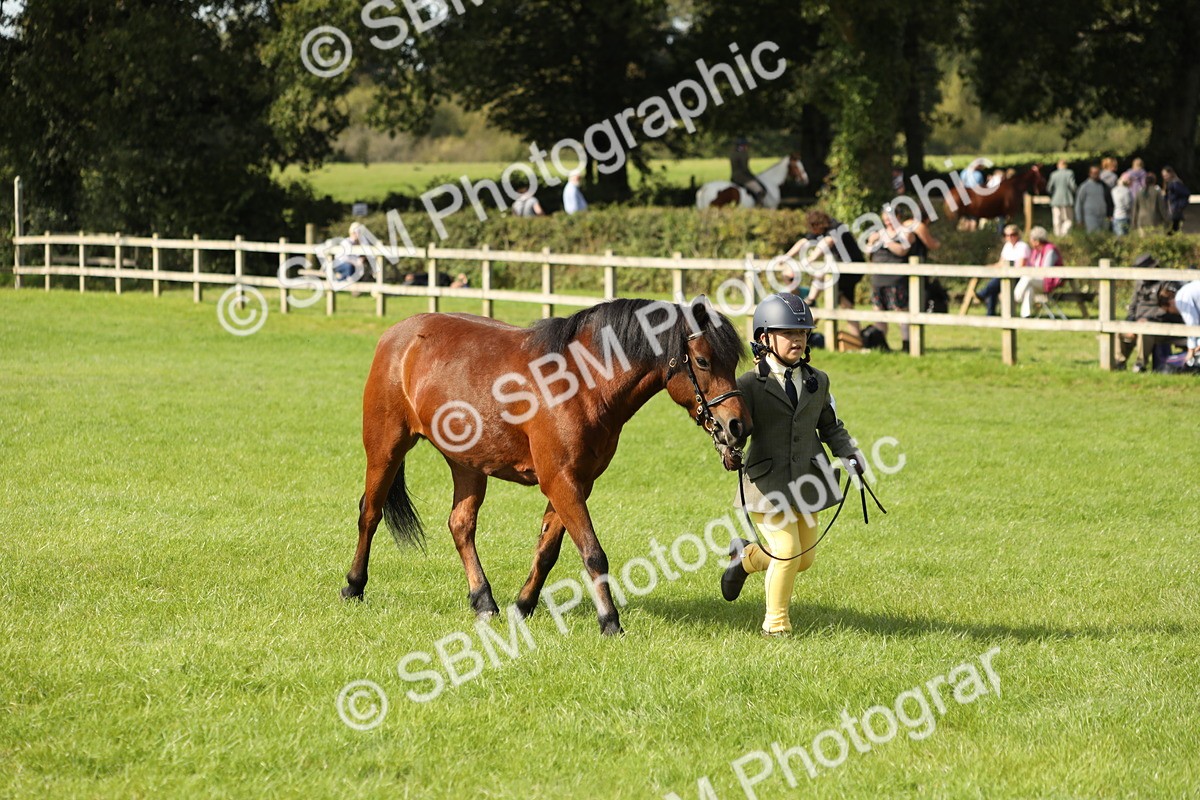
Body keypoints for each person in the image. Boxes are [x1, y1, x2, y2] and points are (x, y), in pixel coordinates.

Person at [720, 293, 863, 636]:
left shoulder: (819, 380)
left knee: (804, 559)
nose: (798, 339)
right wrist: (730, 449)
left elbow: (830, 426)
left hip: (808, 481)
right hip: (767, 484)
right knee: (786, 552)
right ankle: (776, 625)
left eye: (802, 333)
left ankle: (747, 559)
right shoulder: (748, 385)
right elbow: (730, 427)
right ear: (764, 339)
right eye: (788, 333)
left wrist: (849, 453)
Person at [781, 211, 864, 344]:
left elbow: (828, 241)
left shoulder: (835, 228)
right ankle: (857, 342)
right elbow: (804, 241)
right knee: (846, 305)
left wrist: (810, 259)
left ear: (819, 224)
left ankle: (810, 301)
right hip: (840, 271)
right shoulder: (820, 230)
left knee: (822, 275)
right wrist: (786, 256)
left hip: (851, 270)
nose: (813, 232)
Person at [1116, 254, 1182, 372]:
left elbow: (1168, 307)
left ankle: (1140, 364)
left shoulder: (1166, 282)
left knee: (1144, 330)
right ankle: (1119, 363)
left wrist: (1149, 320)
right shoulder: (1140, 284)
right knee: (1119, 331)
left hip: (1158, 323)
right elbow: (1132, 306)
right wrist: (1131, 323)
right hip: (1138, 322)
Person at [864, 206, 917, 349]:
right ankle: (881, 344)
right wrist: (871, 242)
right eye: (886, 218)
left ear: (899, 217)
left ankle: (907, 344)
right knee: (878, 312)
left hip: (896, 280)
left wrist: (886, 241)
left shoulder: (905, 233)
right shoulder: (878, 233)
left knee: (901, 311)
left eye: (891, 217)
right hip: (878, 279)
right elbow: (868, 254)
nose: (888, 221)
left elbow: (902, 250)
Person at [976, 224, 1030, 316]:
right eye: (1007, 235)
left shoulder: (1023, 246)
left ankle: (983, 294)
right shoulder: (1007, 246)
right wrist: (987, 267)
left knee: (996, 282)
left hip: (1019, 277)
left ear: (1018, 235)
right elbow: (1001, 263)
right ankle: (990, 313)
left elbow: (1021, 266)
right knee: (995, 286)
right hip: (1006, 274)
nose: (1010, 237)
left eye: (1013, 234)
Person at [1013, 226, 1063, 318]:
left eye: (1031, 239)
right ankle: (1025, 316)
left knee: (1027, 278)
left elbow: (1045, 270)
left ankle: (1015, 298)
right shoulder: (1036, 251)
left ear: (1036, 240)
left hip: (1048, 282)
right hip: (1038, 281)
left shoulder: (1050, 250)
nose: (1030, 241)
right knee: (1029, 289)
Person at [1156, 281, 1200, 366]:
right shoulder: (1185, 292)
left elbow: (1192, 326)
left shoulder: (1181, 300)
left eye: (1168, 311)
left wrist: (1191, 351)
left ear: (1170, 303)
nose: (1172, 313)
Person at [1074, 165, 1113, 233]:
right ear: (1089, 173)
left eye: (1097, 173)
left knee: (1103, 237)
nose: (1095, 175)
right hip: (1090, 217)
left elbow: (1109, 201)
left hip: (1103, 217)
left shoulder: (1104, 186)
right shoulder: (1084, 187)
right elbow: (1079, 203)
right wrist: (1079, 219)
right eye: (1093, 173)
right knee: (1094, 234)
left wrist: (1110, 214)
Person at [730, 137, 765, 205]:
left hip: (734, 177)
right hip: (743, 178)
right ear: (742, 146)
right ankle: (758, 205)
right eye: (746, 145)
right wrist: (752, 176)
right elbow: (745, 169)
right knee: (760, 190)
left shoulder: (733, 154)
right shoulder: (743, 154)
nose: (747, 147)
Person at [1046, 160, 1077, 237]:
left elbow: (1049, 188)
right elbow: (1072, 186)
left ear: (1058, 166)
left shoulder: (1053, 174)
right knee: (1068, 219)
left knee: (1056, 219)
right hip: (1067, 199)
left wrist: (1053, 194)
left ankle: (1057, 235)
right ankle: (1064, 234)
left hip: (1055, 200)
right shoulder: (1069, 173)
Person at [1162, 167, 1189, 234]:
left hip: (1175, 211)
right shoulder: (1169, 184)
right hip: (1170, 210)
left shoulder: (1175, 184)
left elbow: (1185, 194)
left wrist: (1179, 207)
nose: (1164, 177)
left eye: (1166, 175)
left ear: (1170, 174)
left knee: (1172, 231)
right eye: (1163, 176)